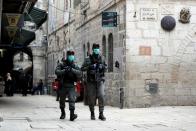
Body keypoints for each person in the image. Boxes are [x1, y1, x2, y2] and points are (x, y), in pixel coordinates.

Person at [81, 43, 107, 121]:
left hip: (100, 80)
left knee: (101, 95)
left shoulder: (102, 58)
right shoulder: (88, 59)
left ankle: (101, 113)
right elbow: (82, 68)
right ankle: (92, 113)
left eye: (97, 49)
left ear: (99, 50)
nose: (96, 50)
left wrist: (102, 67)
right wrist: (89, 67)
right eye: (95, 49)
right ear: (92, 50)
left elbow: (106, 67)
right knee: (91, 98)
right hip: (91, 81)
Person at [55, 50, 82, 121]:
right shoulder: (62, 64)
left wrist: (72, 70)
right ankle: (63, 113)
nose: (71, 57)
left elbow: (80, 73)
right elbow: (56, 71)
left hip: (71, 85)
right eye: (70, 55)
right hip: (63, 85)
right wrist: (64, 71)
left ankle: (72, 115)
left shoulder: (75, 65)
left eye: (72, 55)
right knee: (62, 101)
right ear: (67, 56)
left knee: (72, 99)